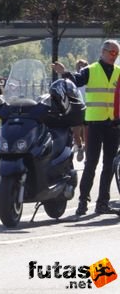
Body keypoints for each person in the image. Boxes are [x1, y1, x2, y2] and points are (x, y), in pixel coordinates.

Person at [53, 40, 120, 215]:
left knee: (109, 165)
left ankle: (102, 202)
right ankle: (83, 201)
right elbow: (77, 80)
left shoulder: (119, 72)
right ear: (103, 52)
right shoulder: (91, 70)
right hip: (94, 123)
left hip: (113, 124)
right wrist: (64, 73)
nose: (115, 56)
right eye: (112, 53)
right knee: (91, 163)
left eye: (117, 54)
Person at [73, 58, 88, 162]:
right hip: (77, 108)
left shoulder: (89, 77)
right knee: (76, 133)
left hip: (88, 108)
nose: (80, 67)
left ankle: (87, 156)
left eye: (82, 65)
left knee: (87, 135)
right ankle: (79, 148)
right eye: (79, 66)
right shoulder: (74, 78)